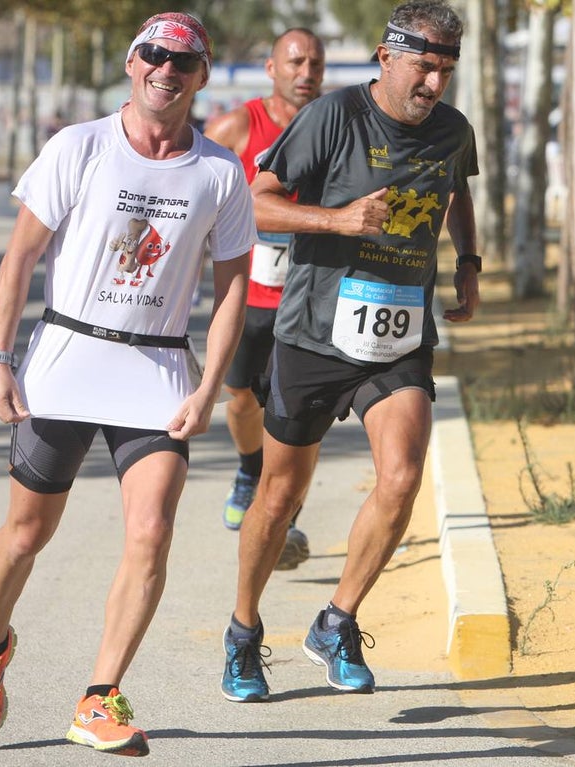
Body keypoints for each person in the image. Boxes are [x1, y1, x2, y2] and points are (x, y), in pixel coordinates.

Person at [0, 12, 256, 756]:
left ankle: (99, 696)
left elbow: (231, 293)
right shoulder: (80, 146)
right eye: (153, 54)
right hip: (65, 359)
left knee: (152, 530)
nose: (166, 68)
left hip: (157, 368)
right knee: (28, 532)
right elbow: (19, 259)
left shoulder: (220, 173)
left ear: (202, 76)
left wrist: (209, 384)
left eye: (183, 60)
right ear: (132, 63)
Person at [220, 0, 480, 702]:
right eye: (424, 66)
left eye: (446, 70)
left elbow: (456, 187)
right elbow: (256, 199)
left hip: (397, 334)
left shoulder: (454, 129)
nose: (434, 83)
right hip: (314, 331)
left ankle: (337, 620)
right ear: (387, 55)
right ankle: (244, 631)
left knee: (401, 476)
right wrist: (335, 218)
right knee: (279, 497)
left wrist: (469, 261)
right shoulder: (333, 117)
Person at [204, 28, 326, 570]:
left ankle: (286, 514)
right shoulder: (236, 127)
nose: (307, 73)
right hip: (247, 297)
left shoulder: (337, 122)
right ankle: (250, 469)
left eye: (316, 64)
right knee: (243, 400)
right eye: (296, 62)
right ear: (271, 67)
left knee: (294, 411)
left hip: (310, 300)